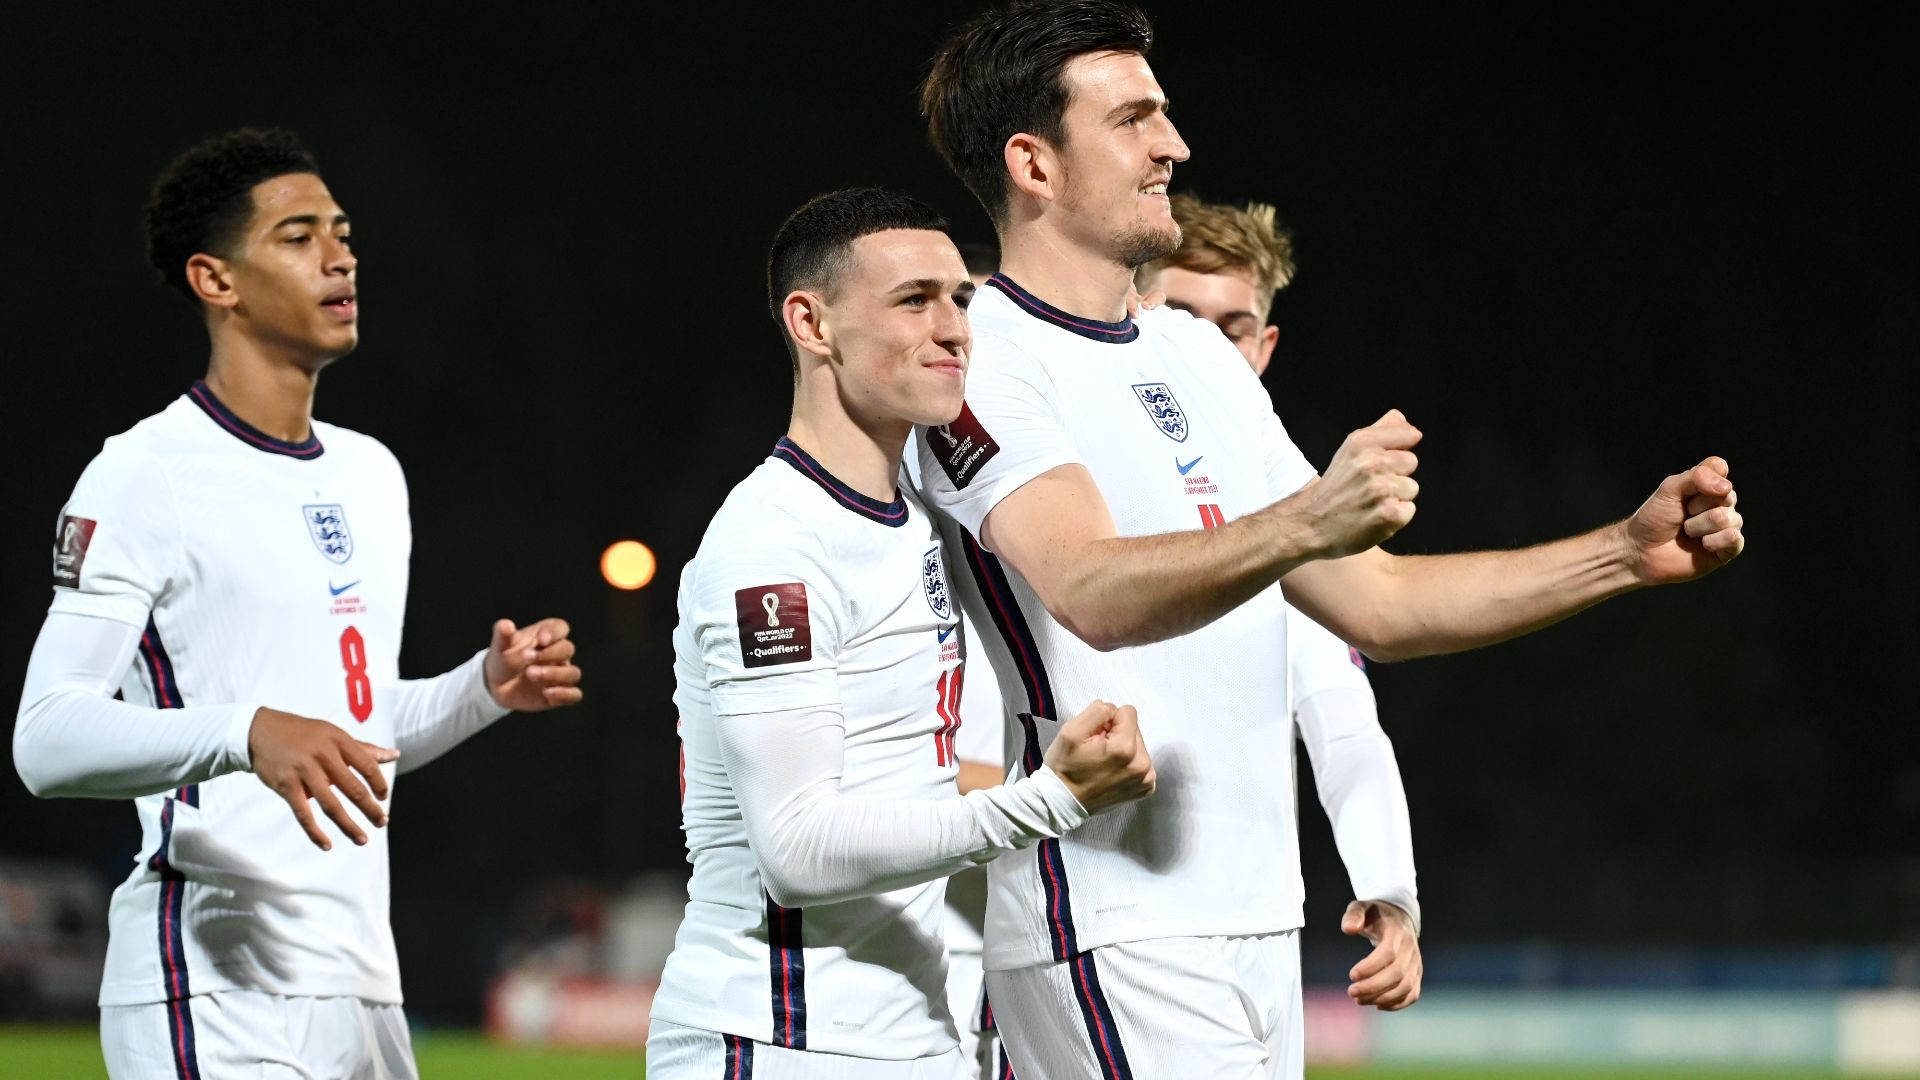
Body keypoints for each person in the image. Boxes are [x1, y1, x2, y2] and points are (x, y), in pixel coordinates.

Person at [914, 4, 1746, 1078]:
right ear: (1033, 162)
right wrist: (1312, 516)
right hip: (1110, 920)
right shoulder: (985, 356)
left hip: (1262, 919)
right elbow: (1091, 591)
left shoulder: (1195, 357)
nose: (1174, 145)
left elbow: (1380, 607)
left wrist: (1622, 555)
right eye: (1133, 120)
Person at [11, 128, 584, 1079]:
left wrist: (483, 688)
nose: (340, 255)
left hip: (360, 980)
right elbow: (47, 737)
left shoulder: (370, 474)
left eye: (344, 231)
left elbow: (348, 731)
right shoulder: (144, 474)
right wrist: (245, 732)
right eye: (297, 235)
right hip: (212, 976)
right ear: (215, 279)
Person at [649, 187, 1155, 1079]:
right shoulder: (774, 544)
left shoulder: (921, 517)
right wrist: (1054, 800)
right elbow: (798, 849)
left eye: (960, 297)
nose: (955, 326)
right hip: (781, 1039)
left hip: (913, 1034)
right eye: (914, 299)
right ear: (811, 323)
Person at [1139, 192, 1424, 1010]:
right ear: (1136, 310)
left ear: (1263, 347)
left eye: (1229, 327)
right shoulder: (1059, 472)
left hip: (1250, 934)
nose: (1205, 344)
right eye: (1180, 313)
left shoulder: (1286, 506)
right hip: (1060, 926)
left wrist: (1389, 888)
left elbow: (1341, 716)